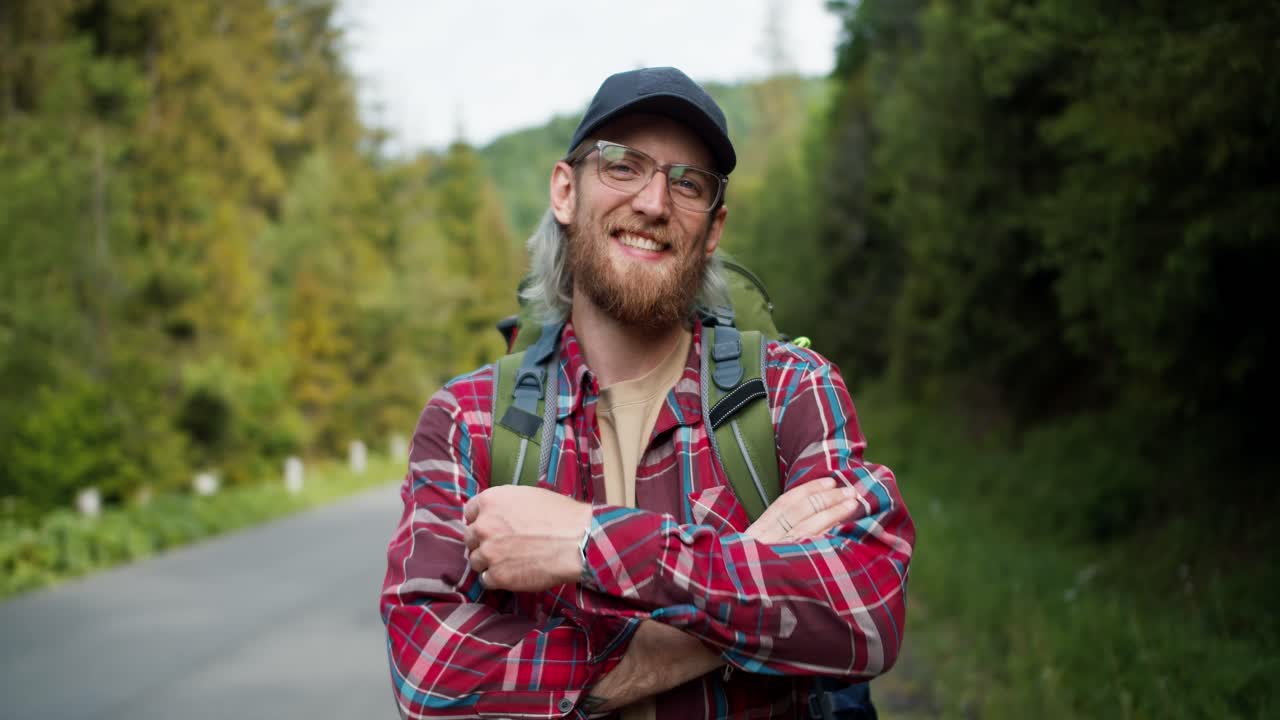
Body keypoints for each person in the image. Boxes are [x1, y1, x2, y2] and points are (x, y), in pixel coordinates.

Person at [381, 66, 915, 720]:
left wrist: (583, 540)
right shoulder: (468, 422)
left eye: (688, 182)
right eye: (623, 166)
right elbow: (430, 676)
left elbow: (866, 614)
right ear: (564, 191)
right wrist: (739, 586)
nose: (655, 203)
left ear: (713, 228)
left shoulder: (789, 391)